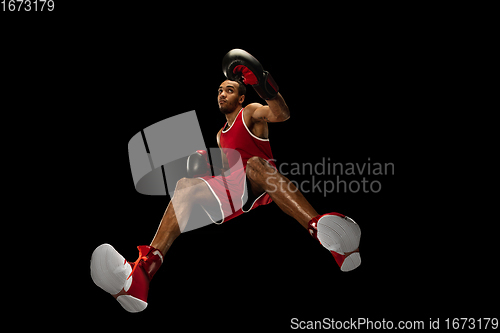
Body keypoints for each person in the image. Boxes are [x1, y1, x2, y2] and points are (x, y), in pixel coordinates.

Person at [91, 49, 361, 313]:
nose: (222, 93)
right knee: (185, 185)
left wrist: (263, 86)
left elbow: (281, 114)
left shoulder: (251, 112)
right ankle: (141, 275)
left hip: (262, 180)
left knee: (255, 164)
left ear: (242, 97)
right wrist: (204, 167)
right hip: (235, 188)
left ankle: (325, 233)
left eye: (229, 90)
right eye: (219, 90)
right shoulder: (220, 134)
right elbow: (226, 170)